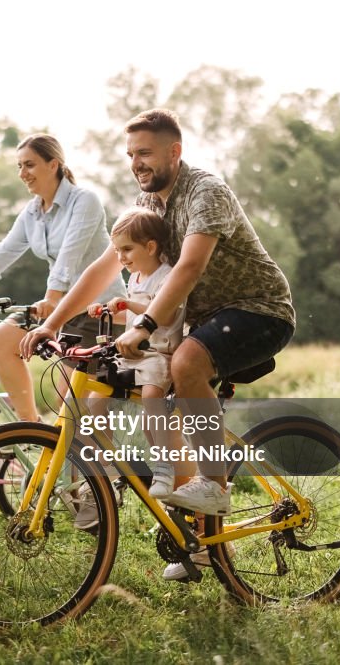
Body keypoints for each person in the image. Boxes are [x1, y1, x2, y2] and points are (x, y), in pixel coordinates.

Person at [21, 108, 295, 579]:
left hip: (258, 310)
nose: (137, 163)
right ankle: (198, 545)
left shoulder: (206, 192)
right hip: (200, 319)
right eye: (131, 155)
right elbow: (105, 268)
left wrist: (144, 325)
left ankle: (215, 484)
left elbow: (189, 267)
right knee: (145, 400)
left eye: (145, 153)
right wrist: (54, 322)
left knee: (187, 363)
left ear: (175, 151)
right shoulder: (147, 205)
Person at [0, 134, 126, 422]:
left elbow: (69, 256)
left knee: (70, 406)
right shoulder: (32, 213)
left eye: (29, 165)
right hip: (61, 307)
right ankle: (30, 429)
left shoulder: (84, 201)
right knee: (3, 338)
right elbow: (3, 251)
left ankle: (93, 462)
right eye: (19, 166)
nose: (22, 174)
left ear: (53, 164)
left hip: (98, 311)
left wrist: (52, 298)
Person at [85, 209, 191, 499]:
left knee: (150, 405)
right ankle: (106, 464)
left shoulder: (166, 276)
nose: (121, 258)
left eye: (127, 249)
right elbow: (133, 321)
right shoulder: (135, 279)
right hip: (133, 353)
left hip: (159, 354)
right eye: (118, 251)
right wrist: (109, 309)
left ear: (151, 246)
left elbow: (165, 316)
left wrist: (128, 305)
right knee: (94, 399)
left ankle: (164, 467)